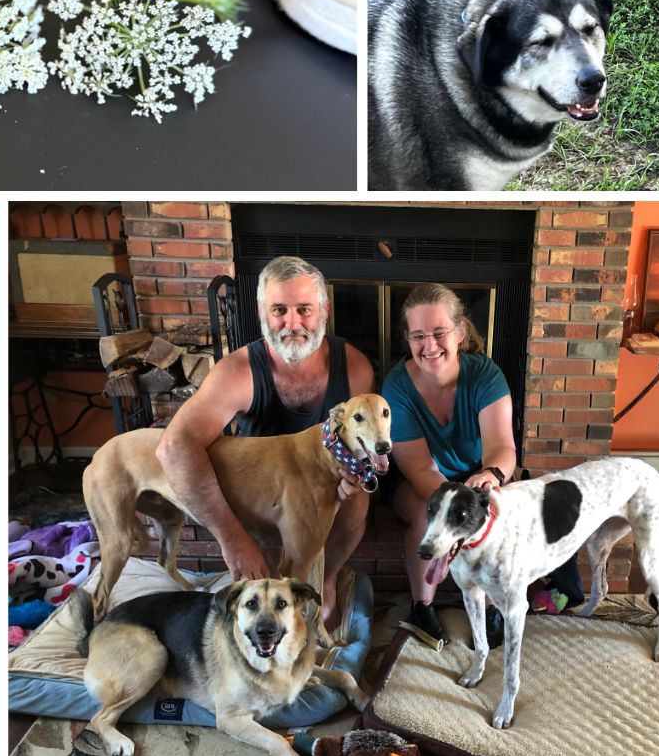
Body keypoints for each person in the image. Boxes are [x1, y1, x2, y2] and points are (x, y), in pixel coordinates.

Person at [155, 256, 375, 625]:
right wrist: (232, 538)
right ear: (261, 311)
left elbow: (362, 446)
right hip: (261, 495)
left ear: (324, 309)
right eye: (279, 310)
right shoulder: (236, 372)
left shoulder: (355, 368)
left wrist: (351, 477)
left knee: (360, 501)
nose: (292, 323)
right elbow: (174, 446)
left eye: (304, 309)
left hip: (321, 487)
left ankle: (330, 578)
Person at [383, 283, 524, 648]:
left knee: (498, 515)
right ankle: (422, 606)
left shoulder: (485, 375)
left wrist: (490, 476)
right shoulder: (396, 388)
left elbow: (503, 449)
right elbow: (418, 470)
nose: (429, 346)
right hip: (418, 482)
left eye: (439, 333)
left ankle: (493, 605)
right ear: (408, 340)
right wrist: (455, 509)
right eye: (418, 336)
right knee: (427, 516)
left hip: (479, 477)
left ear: (459, 332)